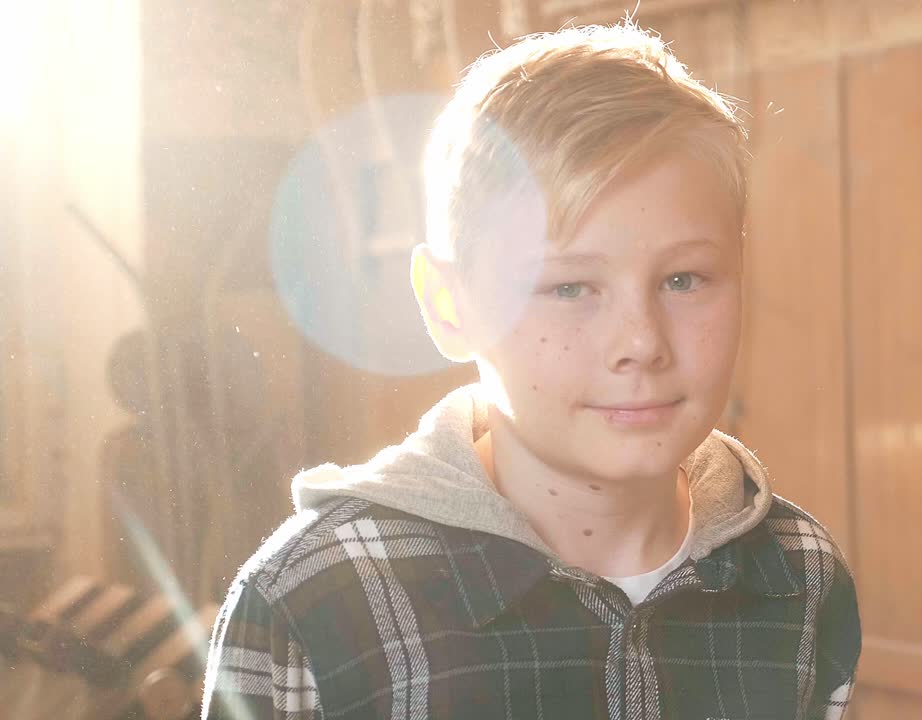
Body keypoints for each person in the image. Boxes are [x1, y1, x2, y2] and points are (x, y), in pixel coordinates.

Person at [202, 20, 860, 720]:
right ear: (449, 304)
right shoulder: (312, 597)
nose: (641, 342)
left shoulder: (799, 575)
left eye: (684, 279)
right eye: (569, 288)